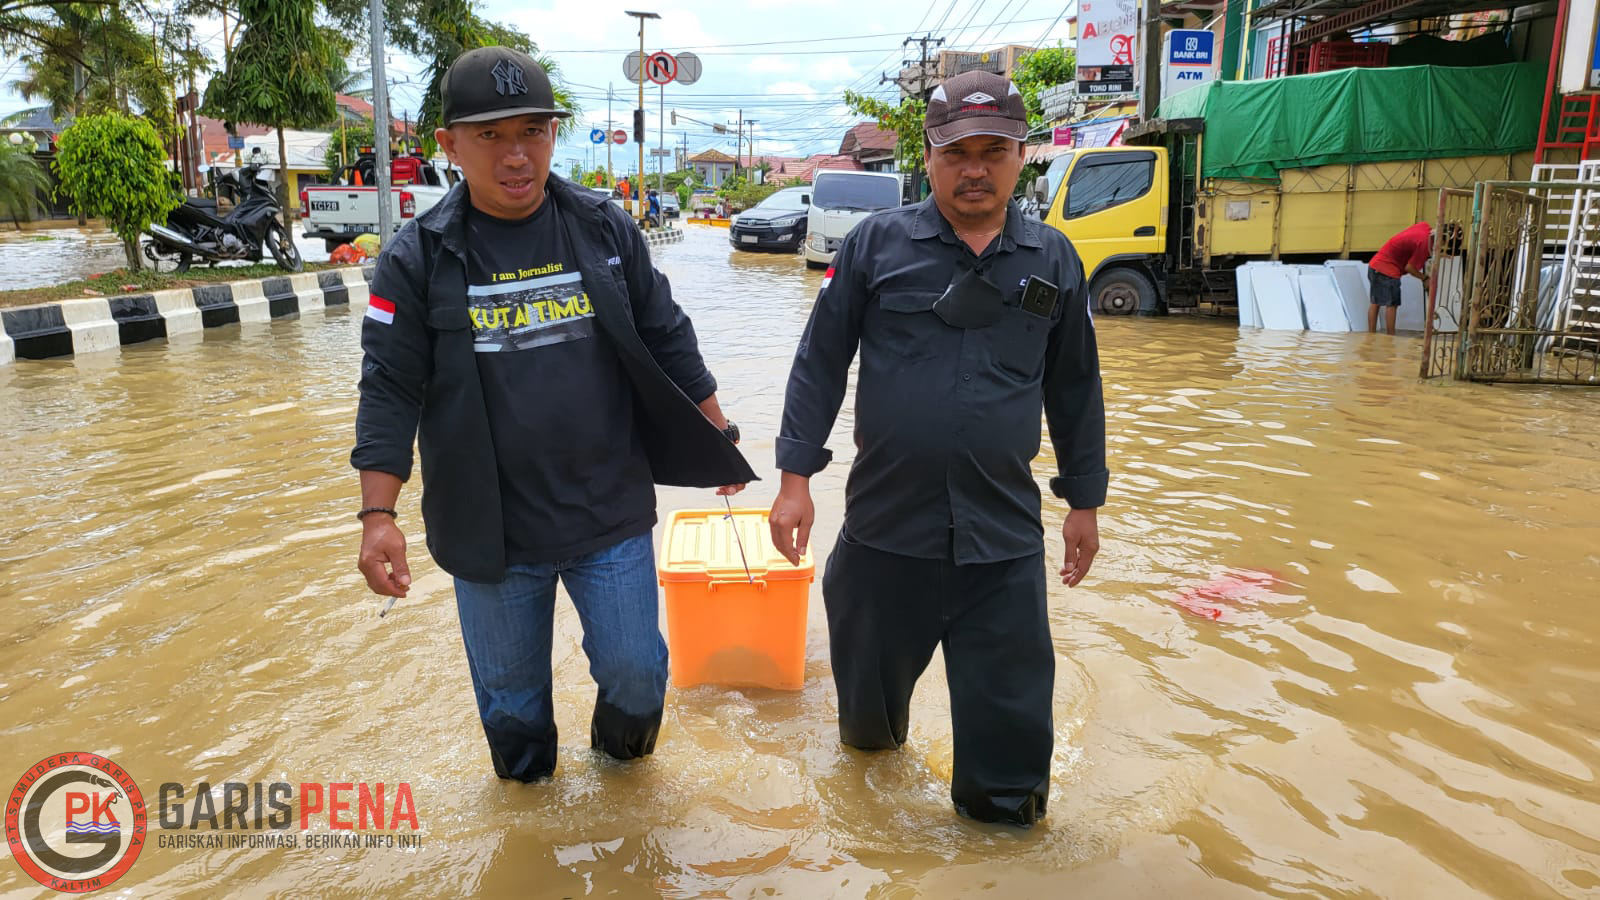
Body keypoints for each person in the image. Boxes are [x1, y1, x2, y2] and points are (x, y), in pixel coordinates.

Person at [351, 46, 755, 783]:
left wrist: (715, 429)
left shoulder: (603, 228)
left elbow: (667, 332)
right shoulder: (415, 258)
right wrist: (379, 516)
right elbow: (389, 386)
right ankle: (530, 817)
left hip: (608, 511)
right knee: (511, 708)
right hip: (491, 528)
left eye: (533, 131)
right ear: (448, 146)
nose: (517, 155)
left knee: (638, 679)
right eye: (492, 135)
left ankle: (622, 798)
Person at [767, 70, 1108, 827]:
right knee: (866, 746)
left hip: (1003, 545)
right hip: (886, 536)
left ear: (1024, 155)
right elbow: (819, 362)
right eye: (958, 153)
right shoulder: (875, 246)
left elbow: (1077, 387)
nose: (976, 168)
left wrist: (1084, 502)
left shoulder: (1052, 260)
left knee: (1010, 778)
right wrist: (795, 479)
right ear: (929, 156)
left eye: (995, 150)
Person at [1367, 221, 1442, 335]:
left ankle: (1370, 336)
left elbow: (1411, 243)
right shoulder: (1424, 244)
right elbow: (1409, 268)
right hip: (1388, 269)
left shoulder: (1424, 227)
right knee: (1392, 305)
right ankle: (1391, 338)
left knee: (1375, 302)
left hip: (1375, 265)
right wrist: (1424, 278)